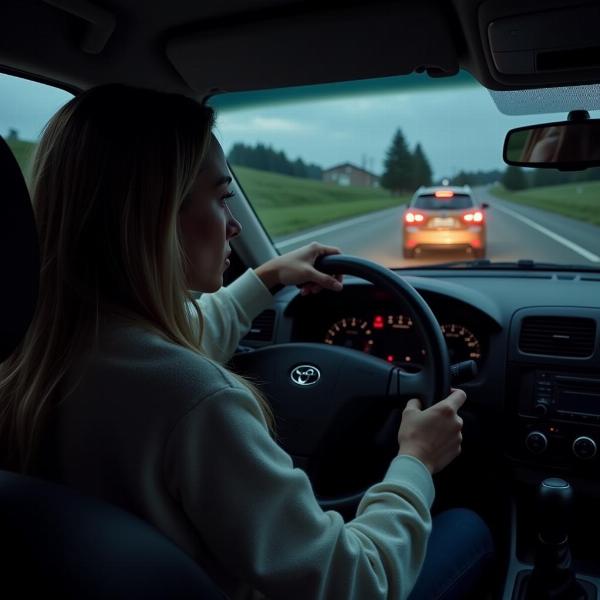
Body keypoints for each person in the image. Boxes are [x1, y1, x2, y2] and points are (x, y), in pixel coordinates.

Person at [0, 84, 493, 599]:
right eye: (221, 199)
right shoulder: (197, 402)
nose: (234, 225)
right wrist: (414, 461)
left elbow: (174, 341)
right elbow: (357, 581)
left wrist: (266, 279)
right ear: (154, 217)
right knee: (470, 527)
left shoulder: (32, 350)